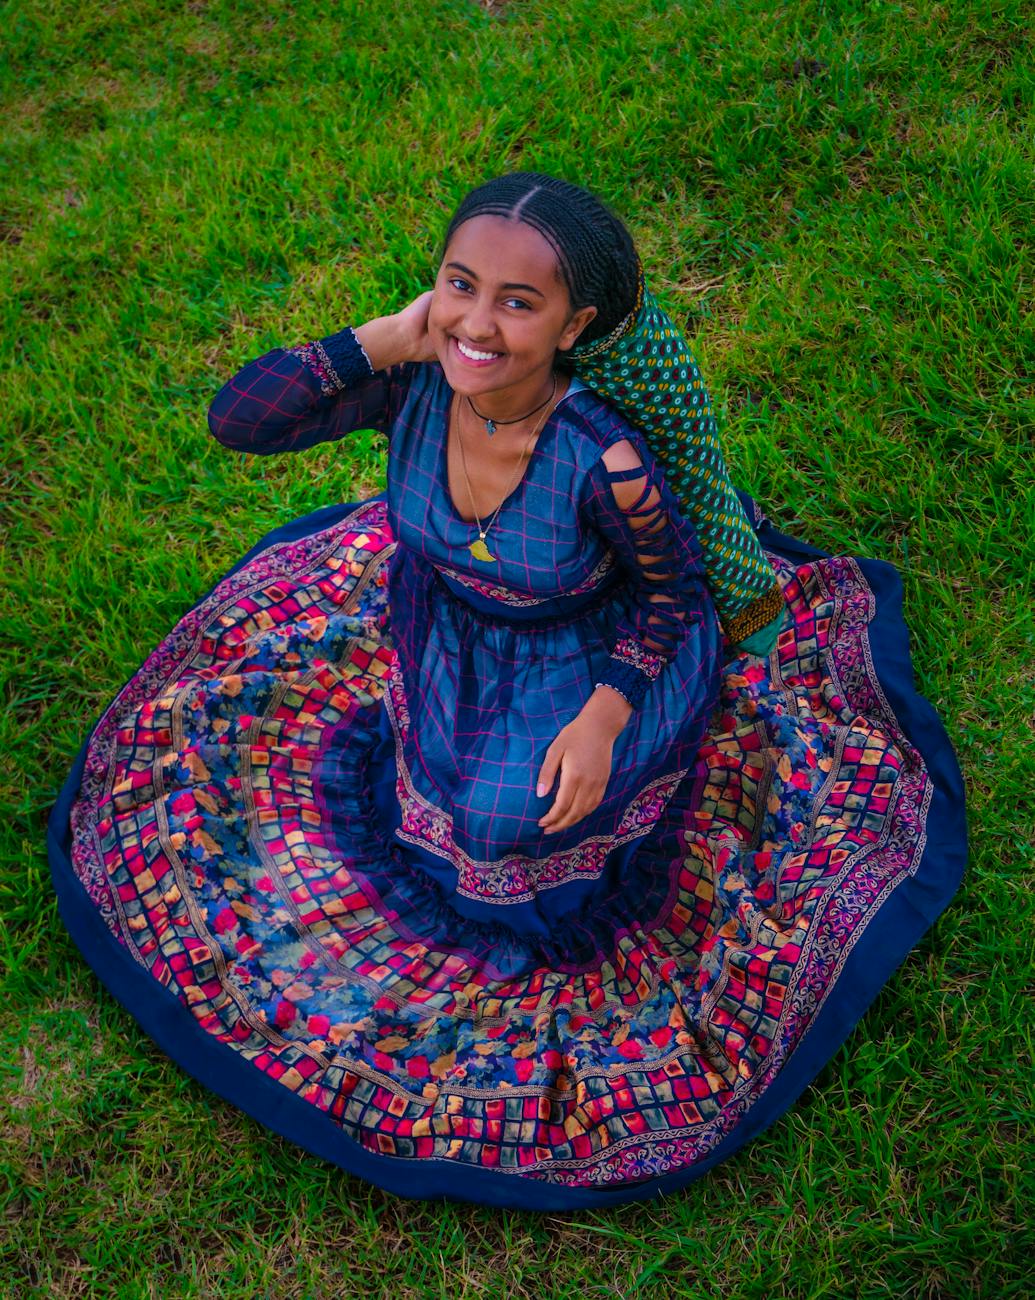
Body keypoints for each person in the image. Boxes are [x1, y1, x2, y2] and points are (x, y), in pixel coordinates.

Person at [47, 172, 967, 1210]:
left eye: (516, 302)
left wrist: (604, 717)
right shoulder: (415, 388)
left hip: (588, 650)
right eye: (460, 285)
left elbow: (671, 599)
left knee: (503, 821)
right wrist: (385, 339)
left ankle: (571, 859)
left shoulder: (601, 460)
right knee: (441, 787)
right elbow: (240, 420)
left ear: (573, 327)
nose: (477, 324)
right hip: (446, 630)